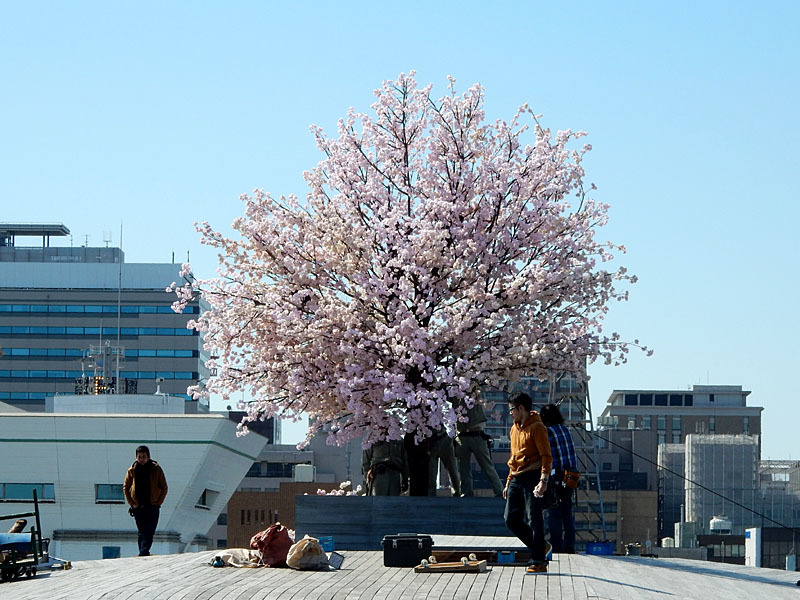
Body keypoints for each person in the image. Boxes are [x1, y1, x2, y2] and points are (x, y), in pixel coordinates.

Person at [503, 393, 552, 574]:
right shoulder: (514, 429)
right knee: (510, 519)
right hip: (516, 477)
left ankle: (539, 561)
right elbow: (513, 458)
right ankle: (541, 546)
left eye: (512, 409)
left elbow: (546, 456)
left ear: (521, 408)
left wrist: (544, 480)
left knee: (535, 519)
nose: (510, 413)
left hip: (533, 476)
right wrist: (508, 481)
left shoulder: (538, 427)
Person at [540, 403, 577, 554]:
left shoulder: (547, 432)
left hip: (556, 475)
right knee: (567, 513)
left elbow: (547, 456)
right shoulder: (565, 430)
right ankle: (570, 546)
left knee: (554, 513)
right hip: (570, 476)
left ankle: (556, 547)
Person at [124, 445, 168, 556]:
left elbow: (164, 487)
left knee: (150, 530)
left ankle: (144, 550)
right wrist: (132, 503)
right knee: (142, 531)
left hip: (152, 505)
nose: (141, 459)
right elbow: (126, 487)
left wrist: (158, 502)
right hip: (138, 506)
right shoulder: (132, 470)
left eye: (144, 456)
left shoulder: (156, 469)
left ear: (148, 457)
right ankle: (143, 551)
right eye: (139, 457)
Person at [455, 399, 504, 497]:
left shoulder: (476, 395)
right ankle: (466, 492)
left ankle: (499, 491)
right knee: (463, 467)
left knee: (486, 465)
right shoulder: (456, 397)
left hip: (476, 434)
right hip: (462, 435)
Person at [428, 428, 461, 496]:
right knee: (431, 474)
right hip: (430, 441)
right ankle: (430, 496)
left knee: (453, 470)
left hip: (445, 439)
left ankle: (457, 494)